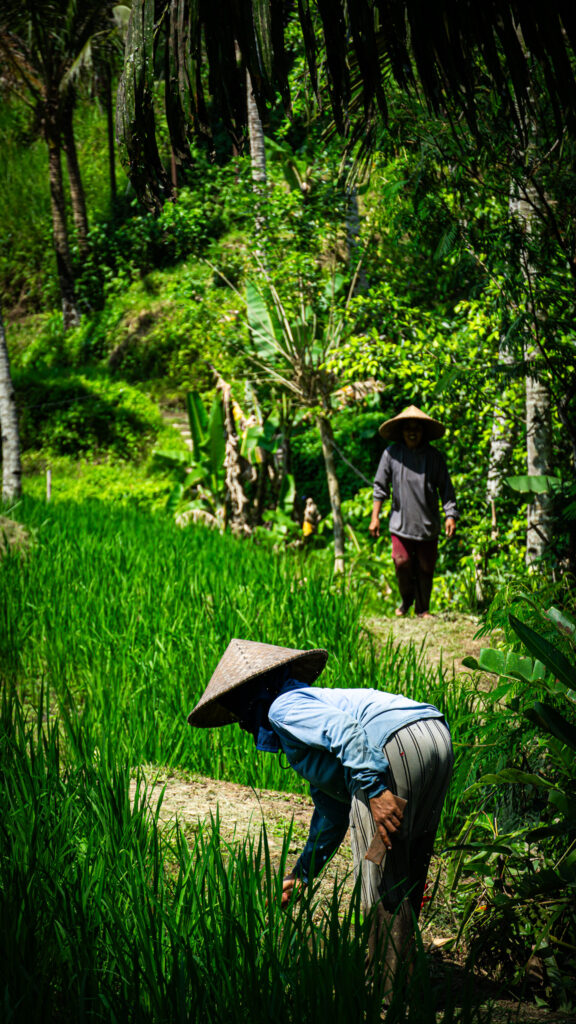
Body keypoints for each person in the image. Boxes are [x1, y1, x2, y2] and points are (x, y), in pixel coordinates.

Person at [187, 638, 453, 1001]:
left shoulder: (283, 707)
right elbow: (330, 810)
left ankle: (385, 996)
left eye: (240, 710)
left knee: (379, 877)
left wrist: (374, 790)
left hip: (391, 746)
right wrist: (303, 872)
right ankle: (406, 979)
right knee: (408, 863)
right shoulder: (304, 709)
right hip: (433, 735)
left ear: (252, 699)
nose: (243, 723)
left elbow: (346, 732)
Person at [369, 405, 459, 618]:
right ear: (401, 431)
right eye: (408, 427)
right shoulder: (392, 454)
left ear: (423, 432)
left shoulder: (434, 457)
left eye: (416, 428)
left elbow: (446, 488)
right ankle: (407, 599)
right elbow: (380, 487)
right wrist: (375, 517)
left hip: (428, 523)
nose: (412, 432)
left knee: (426, 568)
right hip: (400, 523)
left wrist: (450, 515)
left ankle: (422, 609)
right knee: (402, 562)